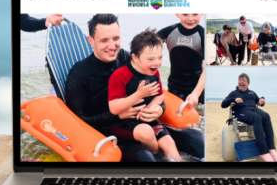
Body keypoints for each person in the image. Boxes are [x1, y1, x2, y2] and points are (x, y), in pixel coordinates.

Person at [64, 14, 203, 162]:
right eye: (104, 40)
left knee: (196, 139)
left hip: (144, 122)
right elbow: (77, 121)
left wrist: (158, 109)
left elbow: (156, 91)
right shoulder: (79, 75)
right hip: (111, 133)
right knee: (146, 158)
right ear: (90, 41)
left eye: (116, 39)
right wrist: (116, 116)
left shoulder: (128, 59)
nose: (112, 46)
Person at [108, 29, 181, 161]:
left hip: (147, 119)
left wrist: (153, 108)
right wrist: (139, 94)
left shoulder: (154, 72)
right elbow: (113, 108)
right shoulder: (120, 75)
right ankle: (156, 156)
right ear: (135, 57)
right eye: (151, 59)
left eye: (160, 57)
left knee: (170, 144)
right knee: (146, 132)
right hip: (124, 123)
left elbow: (159, 96)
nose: (157, 63)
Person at [221, 73, 277, 162]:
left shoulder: (252, 93)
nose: (241, 82)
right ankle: (263, 152)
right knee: (256, 118)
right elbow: (223, 104)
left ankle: (272, 149)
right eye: (240, 80)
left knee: (266, 115)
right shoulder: (234, 93)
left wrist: (262, 100)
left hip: (253, 110)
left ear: (248, 83)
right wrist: (233, 100)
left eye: (243, 80)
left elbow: (260, 102)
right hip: (241, 112)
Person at [157, 14, 205, 107]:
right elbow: (147, 49)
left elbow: (206, 69)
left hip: (197, 89)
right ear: (177, 13)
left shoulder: (201, 34)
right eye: (185, 14)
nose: (190, 19)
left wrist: (196, 94)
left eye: (195, 14)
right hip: (174, 87)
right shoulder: (168, 31)